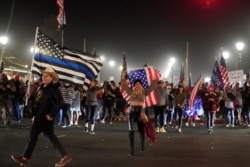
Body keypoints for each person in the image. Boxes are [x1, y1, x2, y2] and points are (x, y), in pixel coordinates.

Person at [11, 67, 72, 167]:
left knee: (33, 136)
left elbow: (60, 102)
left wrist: (52, 114)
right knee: (49, 137)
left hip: (44, 117)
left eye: (47, 76)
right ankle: (64, 156)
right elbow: (38, 100)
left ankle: (24, 158)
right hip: (40, 115)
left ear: (52, 78)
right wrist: (30, 96)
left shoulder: (53, 89)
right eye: (43, 76)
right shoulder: (43, 87)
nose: (44, 77)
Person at [120, 69, 158, 156]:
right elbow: (124, 85)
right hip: (132, 112)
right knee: (131, 131)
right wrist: (123, 76)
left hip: (141, 112)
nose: (137, 85)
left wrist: (154, 75)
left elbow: (153, 85)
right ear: (134, 85)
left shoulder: (145, 91)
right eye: (136, 84)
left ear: (141, 85)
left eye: (139, 84)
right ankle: (131, 150)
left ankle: (142, 146)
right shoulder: (131, 91)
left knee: (141, 130)